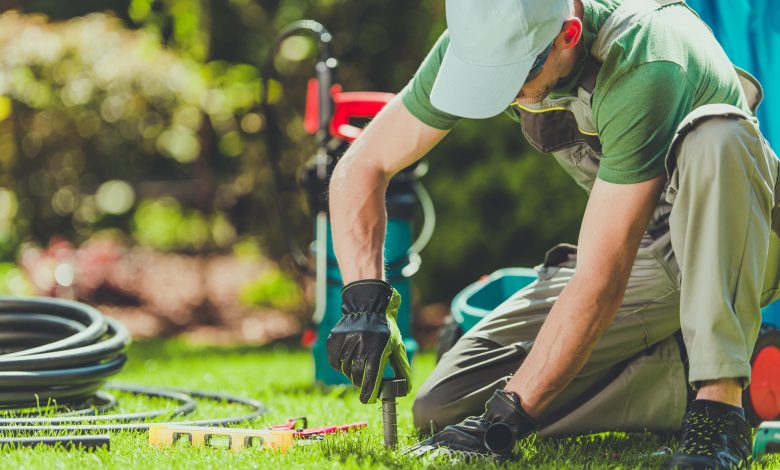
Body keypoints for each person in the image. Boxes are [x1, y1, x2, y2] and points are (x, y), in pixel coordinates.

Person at [324, 0, 780, 467]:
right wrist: (364, 301)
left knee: (717, 135)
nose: (505, 94)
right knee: (444, 405)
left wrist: (508, 417)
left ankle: (719, 404)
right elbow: (363, 164)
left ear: (568, 34)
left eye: (516, 76)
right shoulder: (484, 38)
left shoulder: (645, 57)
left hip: (737, 241)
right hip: (644, 252)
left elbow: (601, 279)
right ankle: (698, 364)